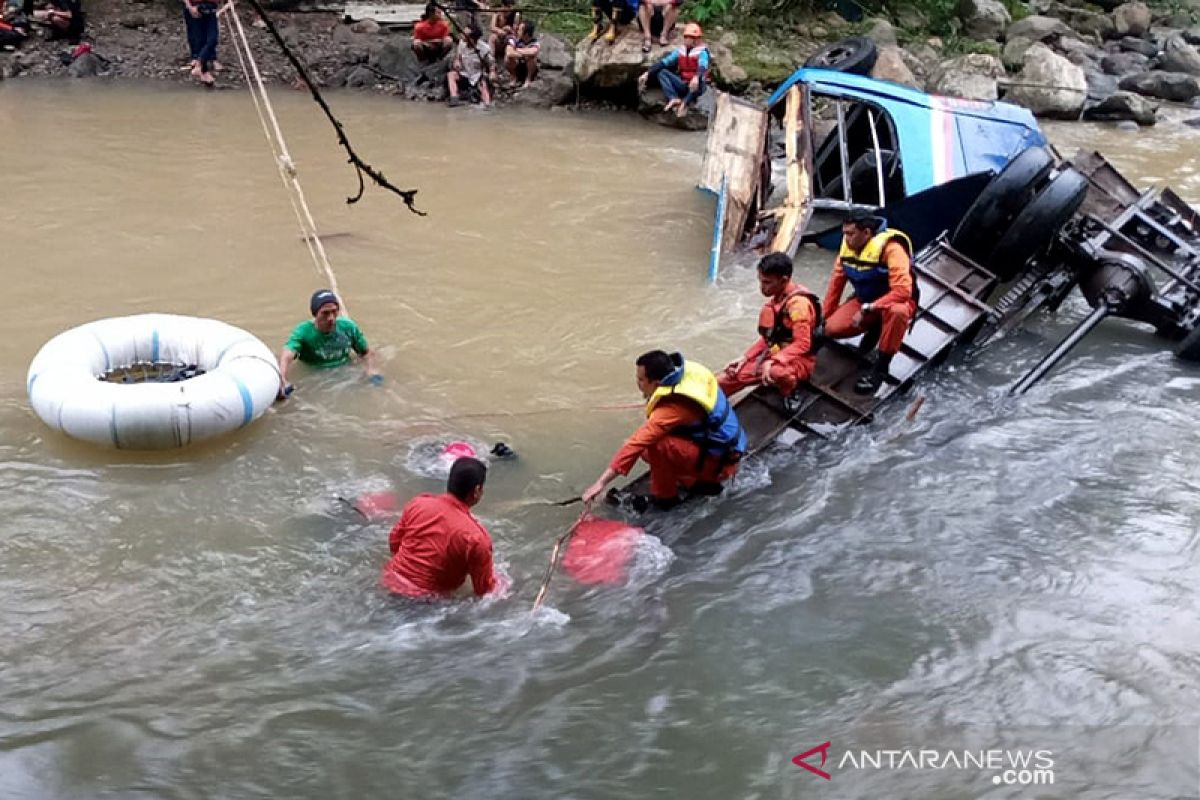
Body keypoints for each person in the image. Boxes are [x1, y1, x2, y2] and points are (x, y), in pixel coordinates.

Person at [582, 350, 746, 511]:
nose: (637, 383)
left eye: (641, 379)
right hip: (724, 449)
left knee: (654, 445)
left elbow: (636, 443)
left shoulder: (671, 409)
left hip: (719, 465)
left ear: (657, 383)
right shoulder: (688, 374)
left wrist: (600, 483)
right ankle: (688, 478)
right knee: (646, 450)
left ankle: (666, 499)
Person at [380, 457, 504, 599]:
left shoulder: (419, 504)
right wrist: (504, 582)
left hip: (390, 582)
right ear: (477, 490)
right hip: (426, 602)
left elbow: (394, 543)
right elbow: (484, 591)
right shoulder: (476, 539)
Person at [823, 211, 916, 394]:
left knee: (898, 312)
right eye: (845, 233)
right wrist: (824, 318)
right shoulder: (847, 248)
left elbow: (903, 291)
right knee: (831, 328)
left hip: (894, 303)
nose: (846, 238)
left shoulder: (892, 249)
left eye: (851, 234)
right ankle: (876, 325)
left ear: (866, 233)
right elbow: (836, 284)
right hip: (865, 300)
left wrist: (869, 309)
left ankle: (881, 368)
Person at [719, 252, 821, 409]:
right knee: (724, 379)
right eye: (760, 281)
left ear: (784, 280)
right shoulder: (779, 299)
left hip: (800, 360)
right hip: (777, 352)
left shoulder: (798, 306)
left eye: (767, 282)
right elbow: (770, 338)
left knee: (776, 372)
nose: (762, 287)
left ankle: (791, 389)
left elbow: (803, 344)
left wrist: (774, 360)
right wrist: (745, 357)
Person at [277, 289, 380, 398]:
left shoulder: (348, 327)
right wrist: (282, 378)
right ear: (315, 314)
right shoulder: (303, 331)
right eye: (325, 313)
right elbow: (287, 355)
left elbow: (366, 352)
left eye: (334, 311)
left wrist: (371, 369)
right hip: (315, 374)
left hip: (345, 371)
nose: (331, 318)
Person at [637, 22, 709, 118]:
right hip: (683, 82)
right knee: (662, 72)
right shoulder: (680, 51)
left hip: (696, 85)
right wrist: (647, 73)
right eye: (686, 37)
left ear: (696, 39)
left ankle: (685, 103)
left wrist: (696, 77)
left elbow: (702, 66)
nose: (687, 39)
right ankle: (673, 98)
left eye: (690, 37)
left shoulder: (702, 52)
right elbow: (664, 63)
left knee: (698, 82)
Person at [447, 23, 495, 107]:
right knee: (451, 75)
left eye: (465, 34)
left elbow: (491, 63)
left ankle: (487, 105)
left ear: (472, 38)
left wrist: (492, 72)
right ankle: (454, 98)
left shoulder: (484, 48)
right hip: (464, 73)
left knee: (483, 85)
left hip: (477, 75)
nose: (462, 35)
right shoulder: (462, 43)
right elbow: (458, 57)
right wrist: (457, 62)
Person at [503, 19, 538, 88]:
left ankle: (528, 79)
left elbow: (533, 52)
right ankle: (513, 77)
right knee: (508, 58)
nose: (517, 31)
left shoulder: (534, 42)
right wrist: (524, 53)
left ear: (526, 33)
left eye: (520, 30)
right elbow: (509, 52)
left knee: (532, 58)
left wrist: (516, 50)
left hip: (527, 66)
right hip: (516, 64)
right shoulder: (514, 39)